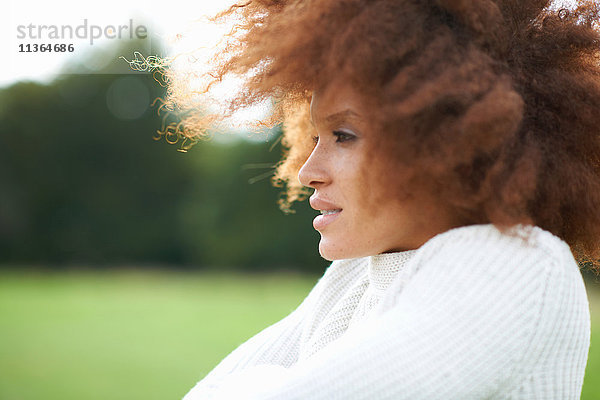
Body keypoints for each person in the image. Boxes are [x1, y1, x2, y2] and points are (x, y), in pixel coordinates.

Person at [151, 0, 600, 398]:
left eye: (343, 135)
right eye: (314, 137)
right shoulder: (356, 276)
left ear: (445, 144)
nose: (308, 172)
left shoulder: (518, 263)